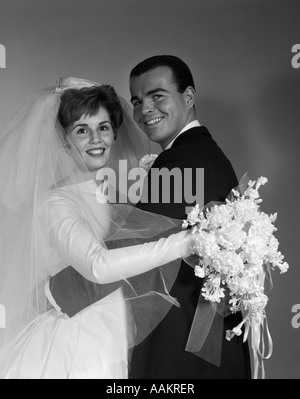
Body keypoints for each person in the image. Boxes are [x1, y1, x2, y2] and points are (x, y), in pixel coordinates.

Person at [0, 78, 195, 379]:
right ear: (63, 140)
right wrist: (186, 242)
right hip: (78, 344)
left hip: (114, 336)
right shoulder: (56, 203)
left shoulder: (112, 196)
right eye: (82, 130)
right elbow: (98, 266)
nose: (96, 139)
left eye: (103, 127)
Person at [128, 55, 252, 379]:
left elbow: (129, 249)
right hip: (204, 347)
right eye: (137, 101)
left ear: (188, 97)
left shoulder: (182, 162)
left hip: (181, 349)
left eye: (157, 96)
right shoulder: (202, 152)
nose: (144, 110)